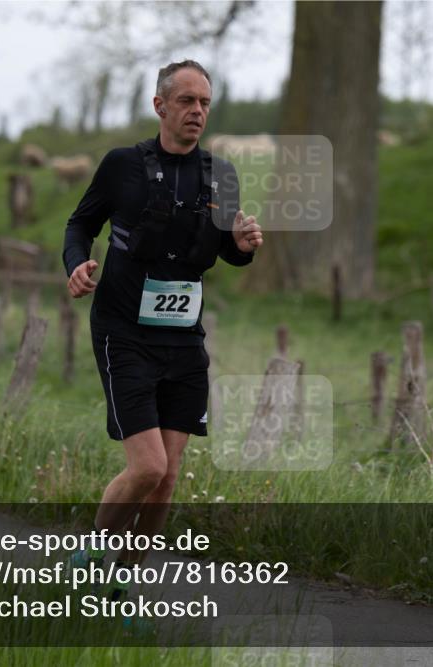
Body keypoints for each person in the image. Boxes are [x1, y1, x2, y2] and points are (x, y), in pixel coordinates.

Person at [61, 60, 263, 604]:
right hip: (123, 330)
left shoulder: (221, 174)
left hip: (183, 339)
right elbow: (80, 223)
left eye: (204, 104)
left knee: (168, 479)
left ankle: (123, 585)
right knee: (147, 466)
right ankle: (91, 559)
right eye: (187, 101)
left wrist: (241, 245)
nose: (197, 111)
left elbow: (225, 251)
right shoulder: (121, 165)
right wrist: (76, 263)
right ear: (161, 106)